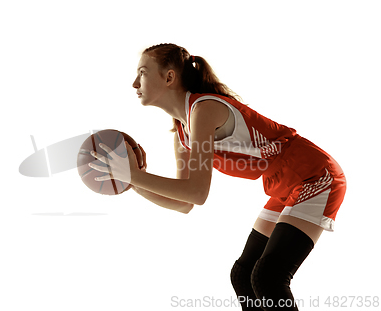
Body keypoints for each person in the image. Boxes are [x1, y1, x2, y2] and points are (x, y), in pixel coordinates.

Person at [88, 43, 346, 310]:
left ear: (169, 77)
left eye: (142, 72)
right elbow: (184, 203)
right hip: (284, 183)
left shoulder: (204, 111)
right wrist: (133, 182)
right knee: (243, 275)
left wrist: (132, 175)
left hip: (315, 175)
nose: (134, 83)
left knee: (269, 277)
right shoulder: (183, 134)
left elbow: (197, 193)